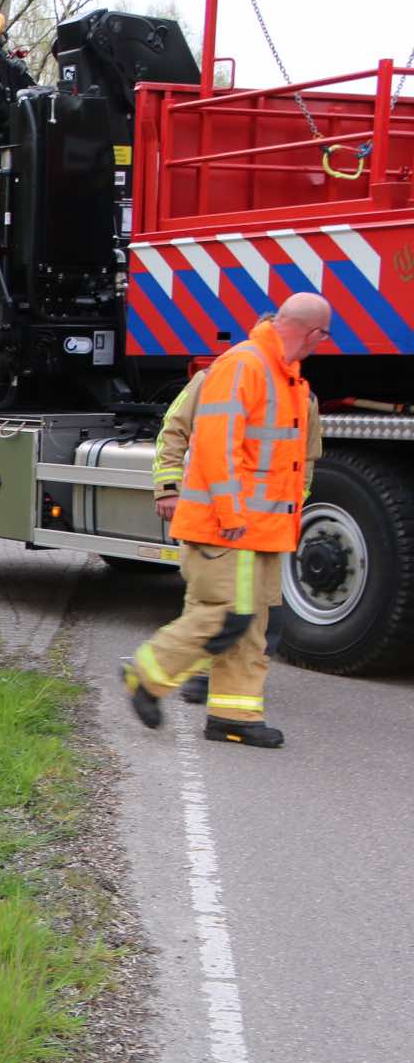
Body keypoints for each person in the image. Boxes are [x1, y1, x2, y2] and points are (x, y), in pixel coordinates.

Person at [120, 294, 329, 748]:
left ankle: (233, 717)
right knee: (224, 616)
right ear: (313, 333)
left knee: (250, 627)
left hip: (264, 530)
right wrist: (173, 489)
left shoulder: (293, 385)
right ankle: (145, 675)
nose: (319, 346)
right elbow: (216, 445)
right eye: (322, 337)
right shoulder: (242, 367)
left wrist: (285, 520)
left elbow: (299, 466)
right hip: (227, 525)